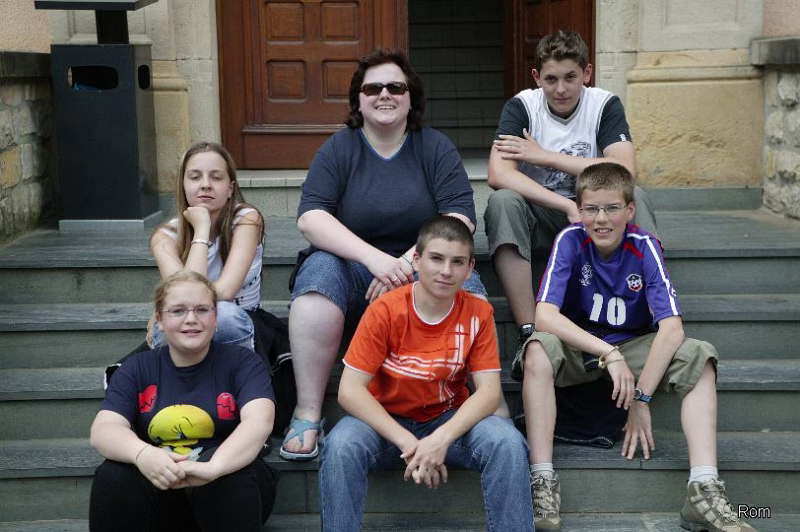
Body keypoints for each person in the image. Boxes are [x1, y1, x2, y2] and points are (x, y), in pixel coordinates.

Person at [519, 162, 756, 532]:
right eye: (591, 208)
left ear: (629, 210)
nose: (601, 219)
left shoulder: (644, 246)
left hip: (632, 344)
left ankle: (703, 489)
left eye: (612, 208)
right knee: (537, 348)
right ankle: (542, 480)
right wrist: (607, 353)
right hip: (581, 347)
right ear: (578, 209)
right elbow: (545, 316)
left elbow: (671, 329)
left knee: (700, 355)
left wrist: (641, 398)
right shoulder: (570, 240)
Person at [281, 48, 492, 461]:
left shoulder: (434, 147)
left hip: (423, 269)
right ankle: (307, 412)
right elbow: (311, 218)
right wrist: (375, 260)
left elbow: (460, 216)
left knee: (472, 291)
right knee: (316, 282)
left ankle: (481, 403)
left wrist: (410, 263)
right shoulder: (340, 149)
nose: (384, 95)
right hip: (356, 273)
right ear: (358, 100)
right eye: (373, 88)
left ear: (411, 98)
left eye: (396, 87)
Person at [319, 216, 532, 531]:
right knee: (340, 447)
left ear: (470, 269)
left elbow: (488, 393)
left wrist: (440, 439)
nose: (446, 271)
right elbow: (350, 391)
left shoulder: (478, 312)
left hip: (447, 417)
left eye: (457, 262)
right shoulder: (385, 310)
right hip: (384, 422)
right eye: (436, 258)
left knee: (507, 443)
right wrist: (409, 442)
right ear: (416, 261)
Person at [483, 30, 658, 379]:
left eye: (570, 77)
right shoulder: (522, 107)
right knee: (502, 202)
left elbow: (625, 170)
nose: (560, 89)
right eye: (551, 79)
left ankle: (649, 316)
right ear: (537, 78)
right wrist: (564, 206)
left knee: (635, 197)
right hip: (542, 214)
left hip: (595, 213)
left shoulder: (603, 105)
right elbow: (498, 173)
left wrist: (545, 157)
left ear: (587, 73)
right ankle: (530, 331)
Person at [88, 271, 278, 531]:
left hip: (228, 490)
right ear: (159, 320)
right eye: (178, 311)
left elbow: (259, 422)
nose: (191, 319)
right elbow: (104, 430)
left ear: (215, 317)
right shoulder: (137, 368)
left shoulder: (242, 362)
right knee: (114, 475)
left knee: (230, 476)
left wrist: (214, 467)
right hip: (162, 489)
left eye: (202, 310)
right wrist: (143, 454)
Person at [149, 141, 264, 350]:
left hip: (239, 320)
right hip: (189, 322)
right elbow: (186, 296)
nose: (205, 185)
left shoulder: (247, 220)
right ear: (183, 186)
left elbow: (223, 291)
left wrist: (202, 227)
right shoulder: (165, 237)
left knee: (225, 316)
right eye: (195, 177)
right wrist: (202, 230)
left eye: (216, 177)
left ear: (230, 189)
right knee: (166, 324)